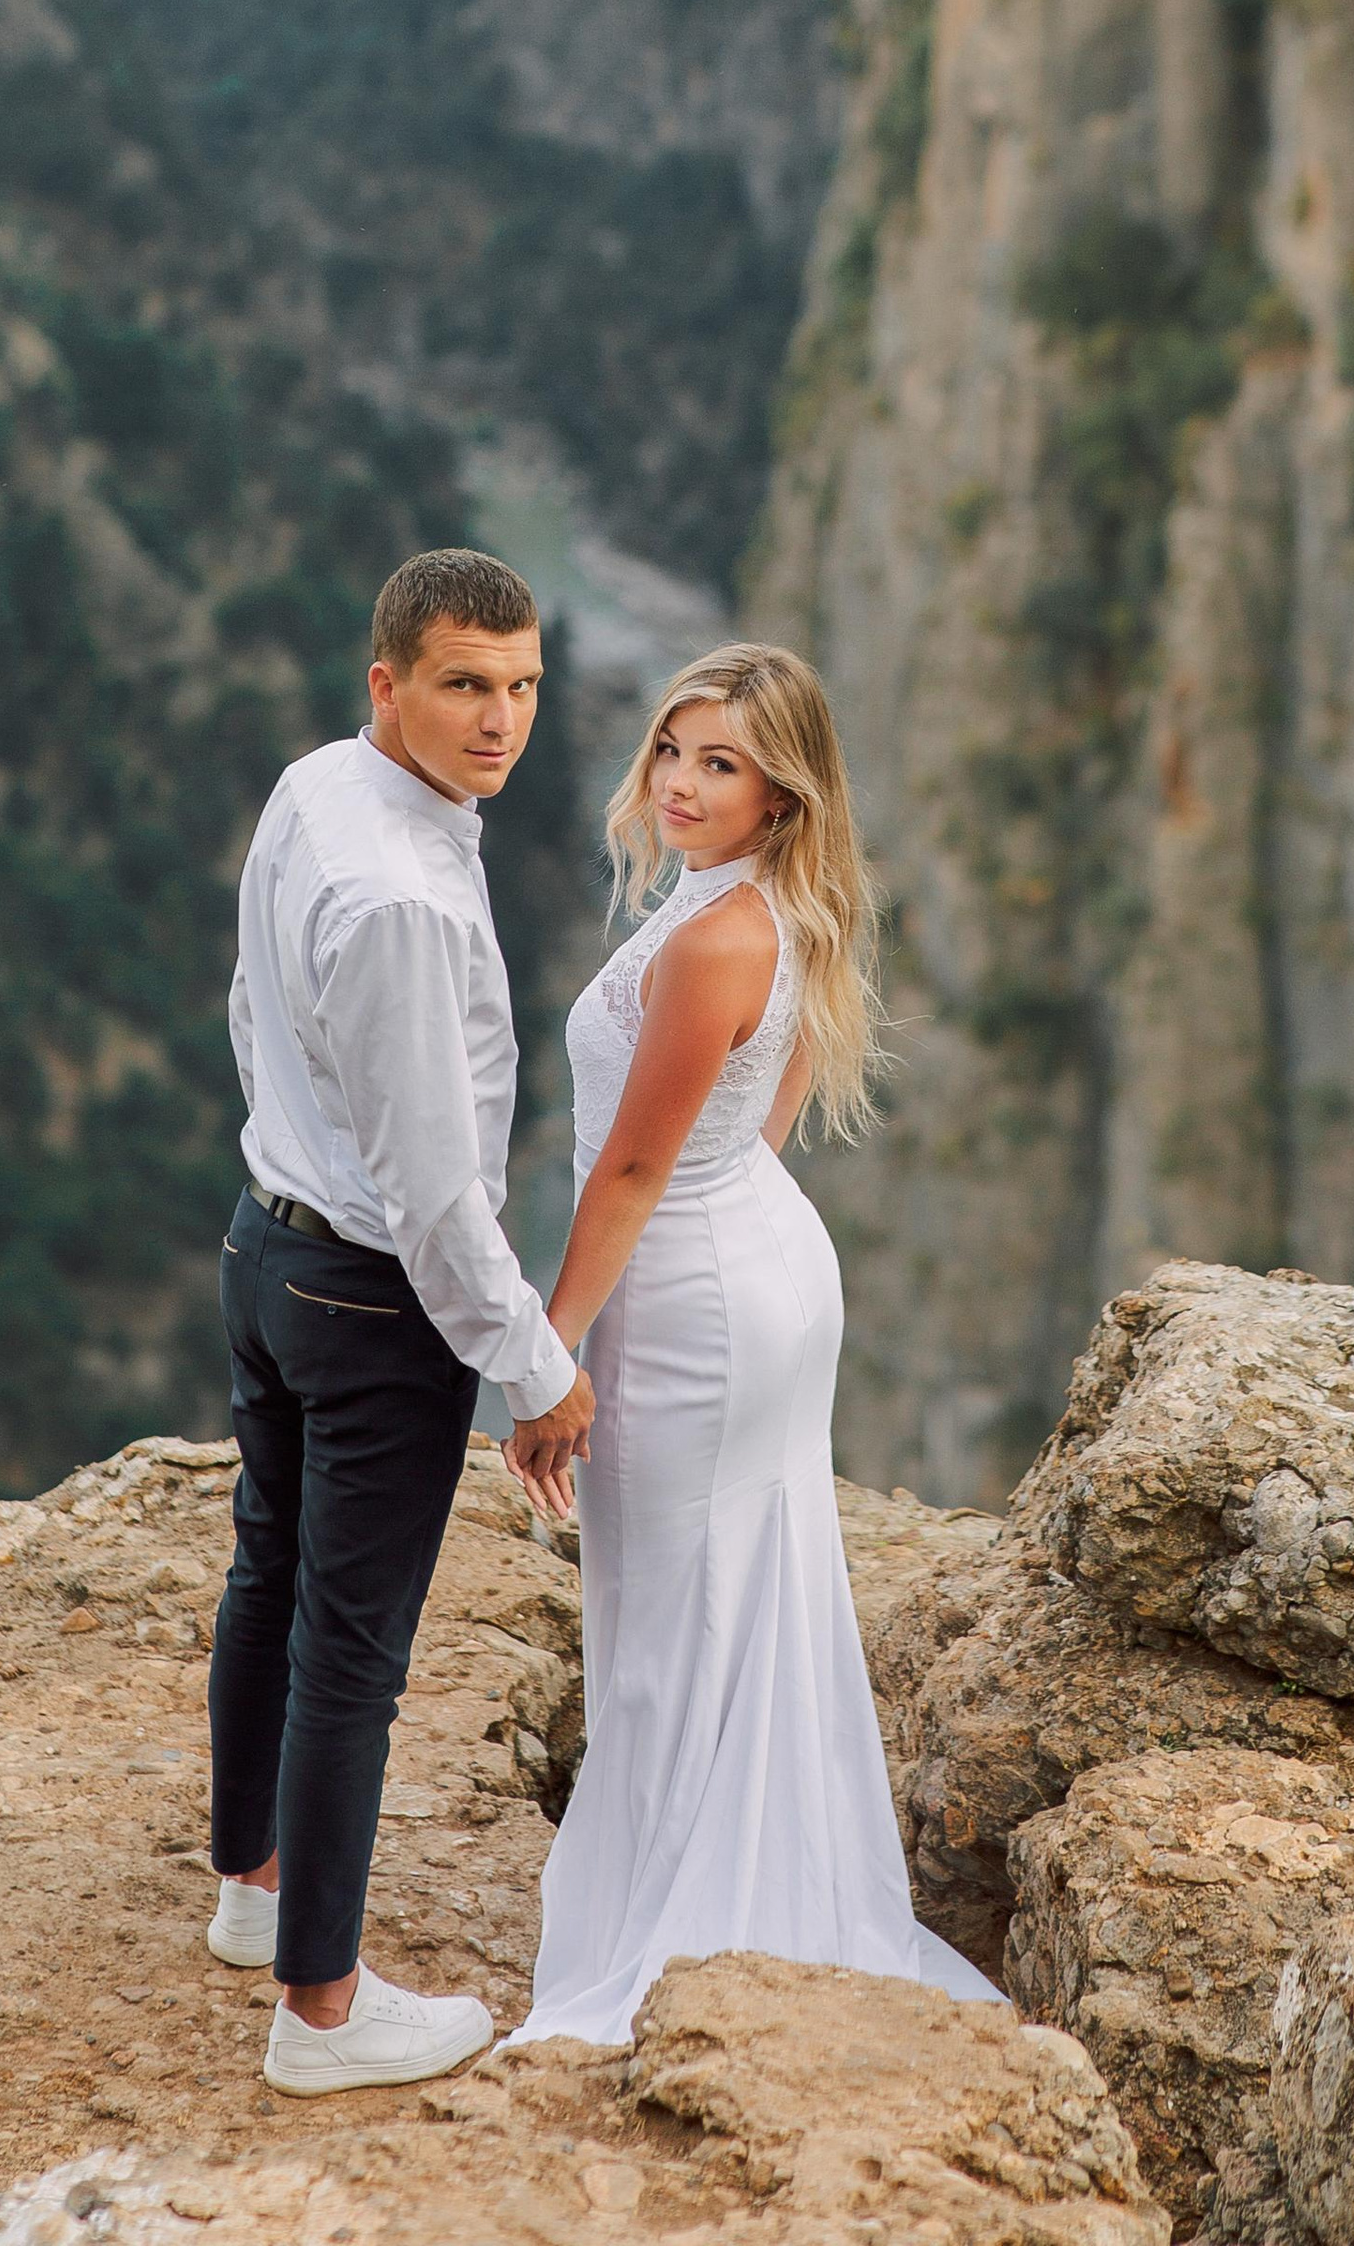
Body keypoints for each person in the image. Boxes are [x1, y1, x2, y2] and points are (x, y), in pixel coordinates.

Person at [504, 640, 1004, 2044]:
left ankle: (672, 1925)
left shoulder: (719, 935)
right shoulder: (768, 914)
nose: (680, 780)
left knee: (669, 1613)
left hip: (697, 1294)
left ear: (779, 793)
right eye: (673, 748)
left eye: (720, 762)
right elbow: (751, 1127)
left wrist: (549, 1357)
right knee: (737, 1587)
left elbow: (629, 1174)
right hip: (756, 1257)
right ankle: (739, 1878)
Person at [201, 547, 595, 2095]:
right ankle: (322, 2012)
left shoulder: (318, 791)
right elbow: (440, 1201)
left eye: (522, 689)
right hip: (372, 1300)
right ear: (391, 684)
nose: (500, 722)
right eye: (463, 687)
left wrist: (289, 1154)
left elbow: (248, 1006)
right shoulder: (409, 899)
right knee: (351, 1654)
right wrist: (536, 1369)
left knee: (269, 1571)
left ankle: (254, 1891)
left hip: (263, 1245)